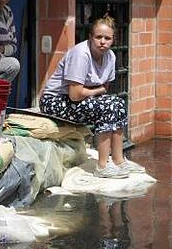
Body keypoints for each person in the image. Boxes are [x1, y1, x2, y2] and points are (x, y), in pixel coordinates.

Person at [39, 15, 145, 179]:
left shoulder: (110, 57)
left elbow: (104, 88)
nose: (103, 41)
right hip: (55, 101)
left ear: (113, 40)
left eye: (107, 38)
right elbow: (75, 95)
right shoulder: (81, 54)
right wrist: (96, 91)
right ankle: (102, 166)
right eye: (98, 37)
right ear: (90, 37)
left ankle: (119, 161)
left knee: (118, 103)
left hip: (79, 99)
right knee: (107, 106)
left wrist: (95, 91)